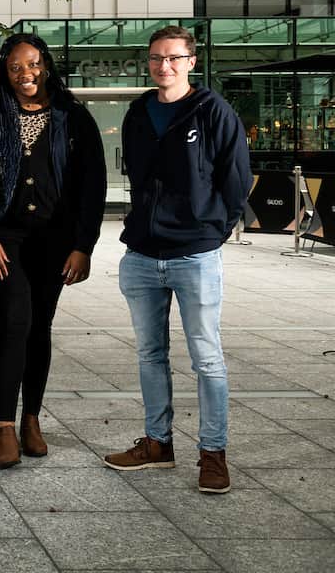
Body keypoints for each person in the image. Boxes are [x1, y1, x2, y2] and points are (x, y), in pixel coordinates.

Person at [104, 25, 251, 494]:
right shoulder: (137, 113)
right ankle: (157, 444)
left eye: (172, 58)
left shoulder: (213, 111)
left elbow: (236, 177)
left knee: (206, 358)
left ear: (190, 61)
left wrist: (214, 230)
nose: (162, 65)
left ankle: (213, 453)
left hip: (195, 254)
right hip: (143, 254)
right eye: (155, 58)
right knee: (150, 354)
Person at [0, 33, 106, 469]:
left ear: (47, 66)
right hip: (2, 239)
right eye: (16, 67)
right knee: (14, 320)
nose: (26, 74)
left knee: (40, 326)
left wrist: (84, 246)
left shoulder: (73, 117)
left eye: (34, 64)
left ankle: (31, 420)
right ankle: (4, 426)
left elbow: (92, 186)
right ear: (5, 72)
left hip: (54, 241)